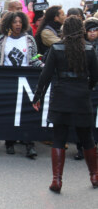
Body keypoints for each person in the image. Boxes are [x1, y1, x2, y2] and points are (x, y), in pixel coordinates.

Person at [32, 16, 98, 193]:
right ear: (82, 30)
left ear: (65, 31)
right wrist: (87, 87)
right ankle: (94, 175)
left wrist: (37, 96)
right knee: (87, 138)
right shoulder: (90, 49)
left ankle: (57, 180)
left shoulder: (56, 48)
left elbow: (45, 76)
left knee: (59, 138)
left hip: (61, 97)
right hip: (82, 98)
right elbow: (95, 77)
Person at [0, 11, 43, 158]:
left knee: (27, 112)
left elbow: (33, 59)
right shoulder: (2, 40)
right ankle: (9, 141)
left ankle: (29, 143)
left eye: (20, 22)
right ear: (9, 24)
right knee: (10, 111)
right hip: (8, 81)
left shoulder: (29, 40)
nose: (18, 24)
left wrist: (43, 65)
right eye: (15, 22)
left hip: (27, 81)